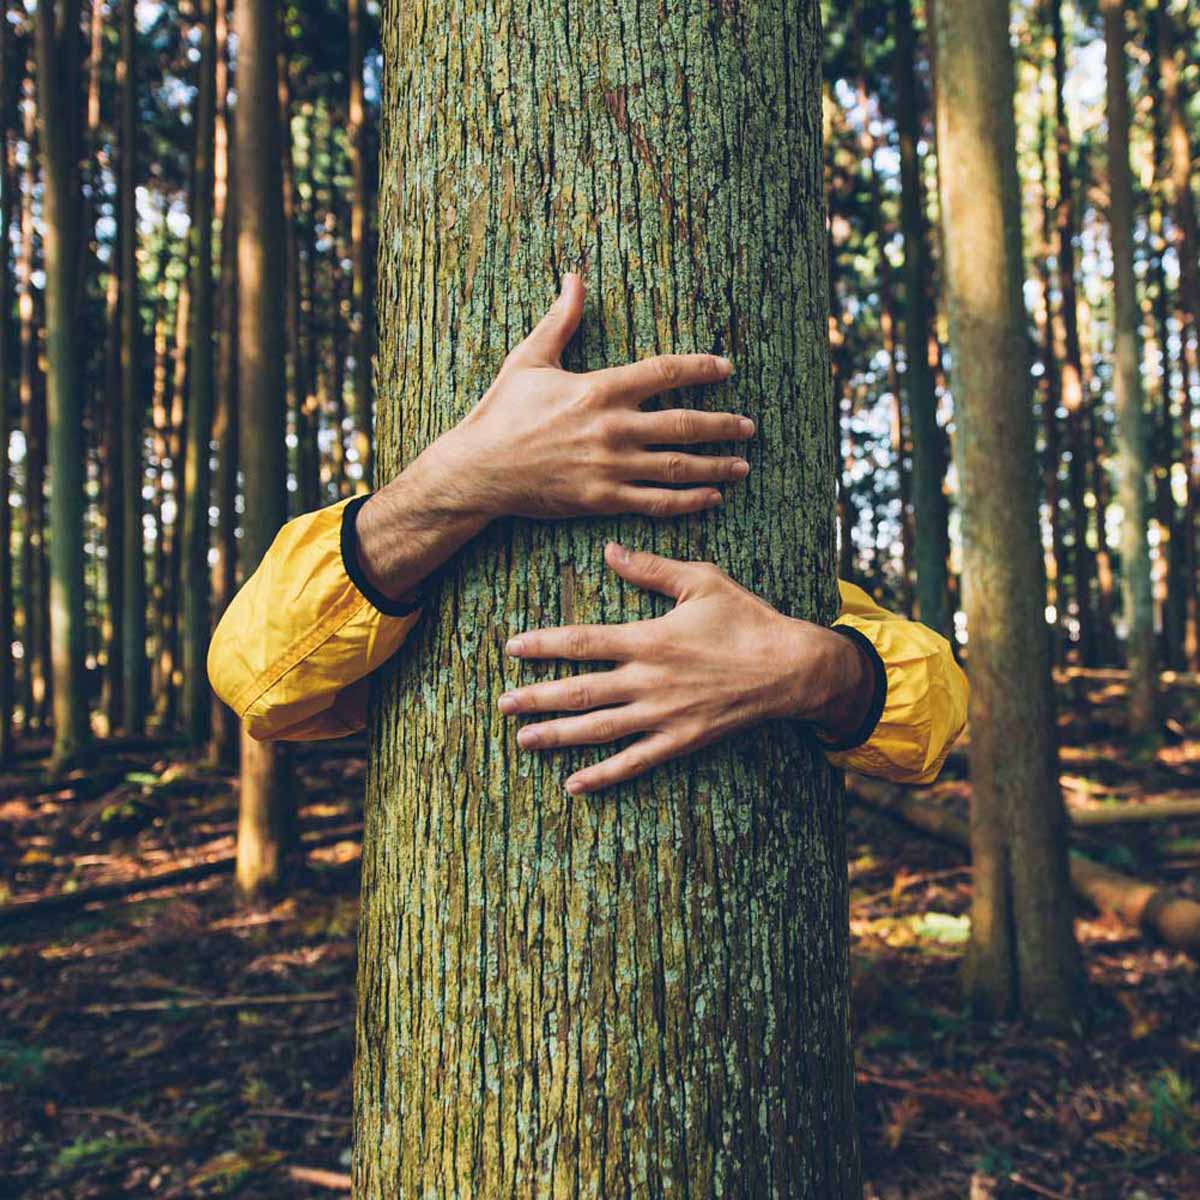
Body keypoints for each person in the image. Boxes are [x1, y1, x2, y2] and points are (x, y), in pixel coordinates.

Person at [208, 275, 967, 792]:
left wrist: (810, 667)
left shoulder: (778, 586)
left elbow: (936, 711)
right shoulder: (411, 556)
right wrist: (459, 481)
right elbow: (254, 678)